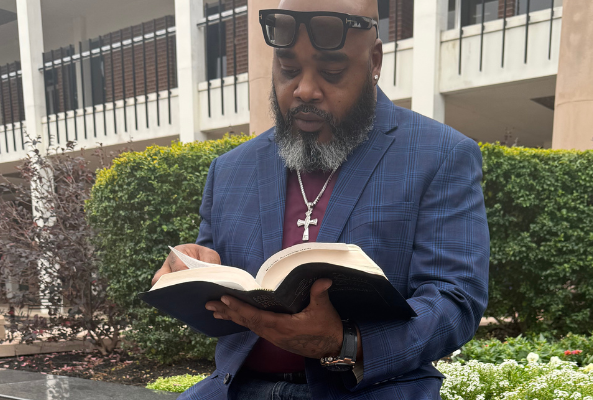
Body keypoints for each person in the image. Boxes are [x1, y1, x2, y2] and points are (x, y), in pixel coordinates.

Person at [153, 0, 489, 398]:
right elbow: (213, 279)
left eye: (332, 71)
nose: (305, 90)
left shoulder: (440, 154)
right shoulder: (229, 169)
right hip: (235, 388)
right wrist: (188, 269)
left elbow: (456, 300)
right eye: (288, 68)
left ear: (374, 61)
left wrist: (345, 341)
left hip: (369, 390)